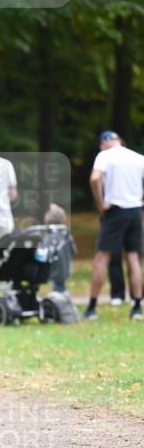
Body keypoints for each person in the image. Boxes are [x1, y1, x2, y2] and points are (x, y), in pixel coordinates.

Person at [83, 131, 144, 321]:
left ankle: (91, 307)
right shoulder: (137, 157)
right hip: (135, 211)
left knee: (101, 257)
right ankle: (137, 307)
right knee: (133, 258)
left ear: (103, 143)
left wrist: (101, 205)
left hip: (115, 211)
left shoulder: (105, 156)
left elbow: (95, 178)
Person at [43, 203, 76, 293]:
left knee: (57, 287)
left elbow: (44, 254)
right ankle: (62, 294)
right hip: (66, 267)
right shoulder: (67, 235)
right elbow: (73, 250)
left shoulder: (49, 237)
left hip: (54, 268)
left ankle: (61, 296)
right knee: (60, 285)